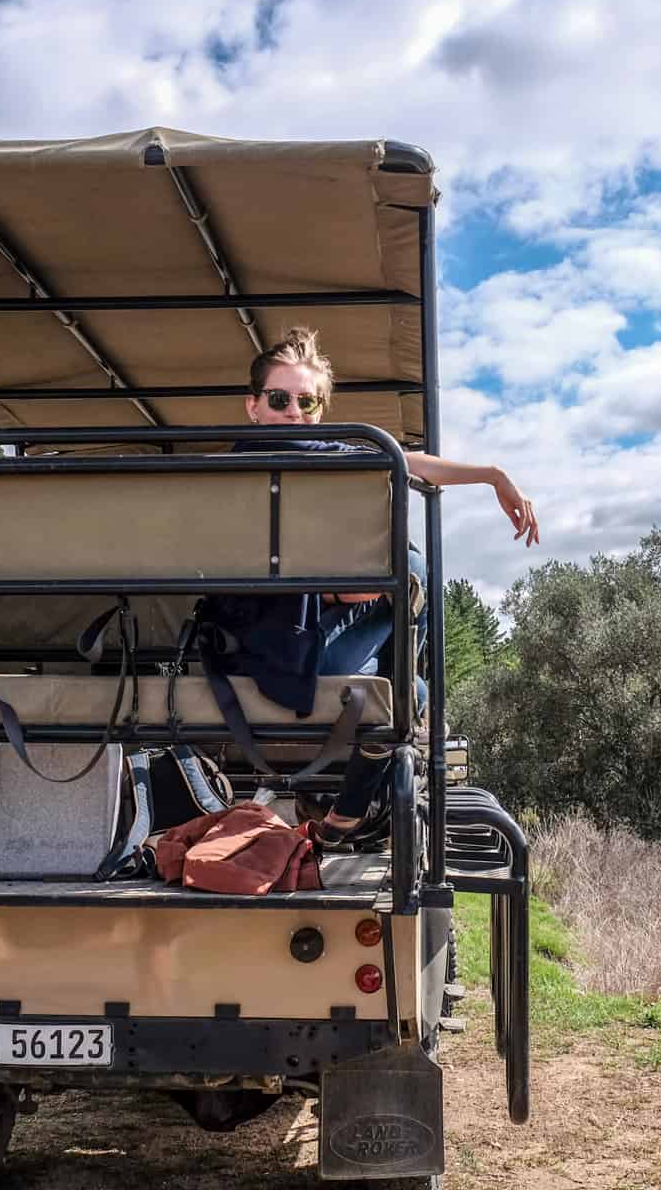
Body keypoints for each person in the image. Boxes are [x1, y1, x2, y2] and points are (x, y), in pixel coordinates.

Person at [219, 327, 539, 841]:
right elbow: (236, 589)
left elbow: (406, 461)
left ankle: (347, 811)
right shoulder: (229, 483)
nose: (294, 413)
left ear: (320, 409)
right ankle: (378, 771)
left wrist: (491, 473)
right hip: (280, 660)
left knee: (405, 687)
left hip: (294, 649)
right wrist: (334, 594)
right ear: (252, 406)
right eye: (280, 400)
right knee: (411, 570)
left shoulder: (319, 459)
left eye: (308, 401)